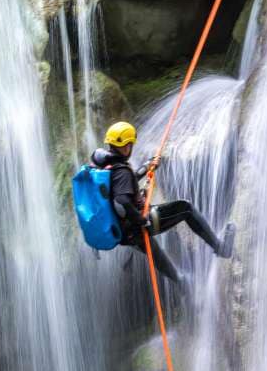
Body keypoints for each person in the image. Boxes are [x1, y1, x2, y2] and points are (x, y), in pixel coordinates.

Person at [91, 121, 235, 289]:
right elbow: (121, 203)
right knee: (185, 208)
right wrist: (141, 220)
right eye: (130, 145)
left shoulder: (105, 166)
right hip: (133, 225)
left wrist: (145, 168)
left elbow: (118, 187)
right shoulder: (121, 171)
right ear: (126, 146)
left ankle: (181, 283)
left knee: (152, 250)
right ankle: (220, 248)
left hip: (122, 232)